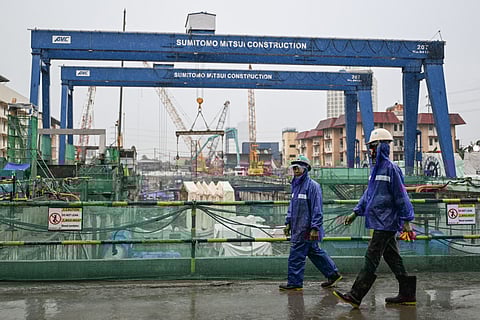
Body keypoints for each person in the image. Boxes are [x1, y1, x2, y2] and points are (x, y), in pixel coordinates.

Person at [333, 128, 416, 308]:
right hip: (379, 220)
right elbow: (368, 195)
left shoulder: (392, 170)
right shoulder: (375, 170)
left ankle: (356, 295)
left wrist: (407, 221)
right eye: (369, 147)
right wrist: (355, 213)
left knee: (371, 257)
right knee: (392, 257)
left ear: (382, 147)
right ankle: (407, 294)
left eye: (373, 147)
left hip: (387, 222)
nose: (370, 150)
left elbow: (401, 196)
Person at [279, 155, 342, 291]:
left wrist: (315, 227)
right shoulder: (295, 186)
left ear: (306, 168)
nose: (295, 170)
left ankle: (295, 283)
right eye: (294, 167)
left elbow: (317, 209)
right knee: (314, 252)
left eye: (298, 167)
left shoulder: (313, 187)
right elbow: (292, 206)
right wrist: (288, 222)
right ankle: (333, 274)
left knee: (296, 256)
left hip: (306, 229)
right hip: (297, 227)